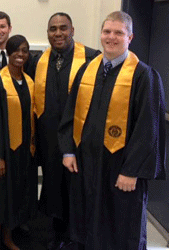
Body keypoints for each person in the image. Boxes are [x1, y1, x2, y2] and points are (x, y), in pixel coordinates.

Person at [58, 11, 166, 250]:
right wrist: (68, 151)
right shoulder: (87, 71)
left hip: (121, 169)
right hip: (86, 164)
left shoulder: (143, 76)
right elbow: (70, 114)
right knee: (86, 222)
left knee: (121, 225)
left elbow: (149, 129)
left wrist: (132, 170)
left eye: (119, 32)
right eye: (107, 31)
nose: (111, 37)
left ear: (130, 37)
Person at [30, 12, 100, 250]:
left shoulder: (92, 59)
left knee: (77, 187)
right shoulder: (38, 60)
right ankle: (56, 233)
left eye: (63, 28)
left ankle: (77, 235)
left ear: (72, 30)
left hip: (78, 139)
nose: (57, 33)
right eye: (52, 29)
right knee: (52, 185)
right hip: (49, 138)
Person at [0, 35, 37, 250]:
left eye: (24, 50)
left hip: (21, 153)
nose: (20, 55)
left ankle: (7, 239)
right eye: (16, 50)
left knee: (14, 198)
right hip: (2, 153)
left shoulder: (29, 82)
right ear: (9, 53)